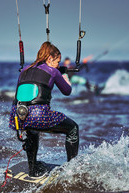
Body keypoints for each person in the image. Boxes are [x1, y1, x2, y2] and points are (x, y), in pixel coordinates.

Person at [9, 41, 79, 177]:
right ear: (50, 58)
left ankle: (32, 168)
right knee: (73, 129)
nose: (58, 65)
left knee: (32, 130)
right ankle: (72, 170)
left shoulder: (24, 70)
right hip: (38, 115)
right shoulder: (53, 71)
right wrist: (64, 75)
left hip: (16, 117)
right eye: (57, 61)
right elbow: (67, 91)